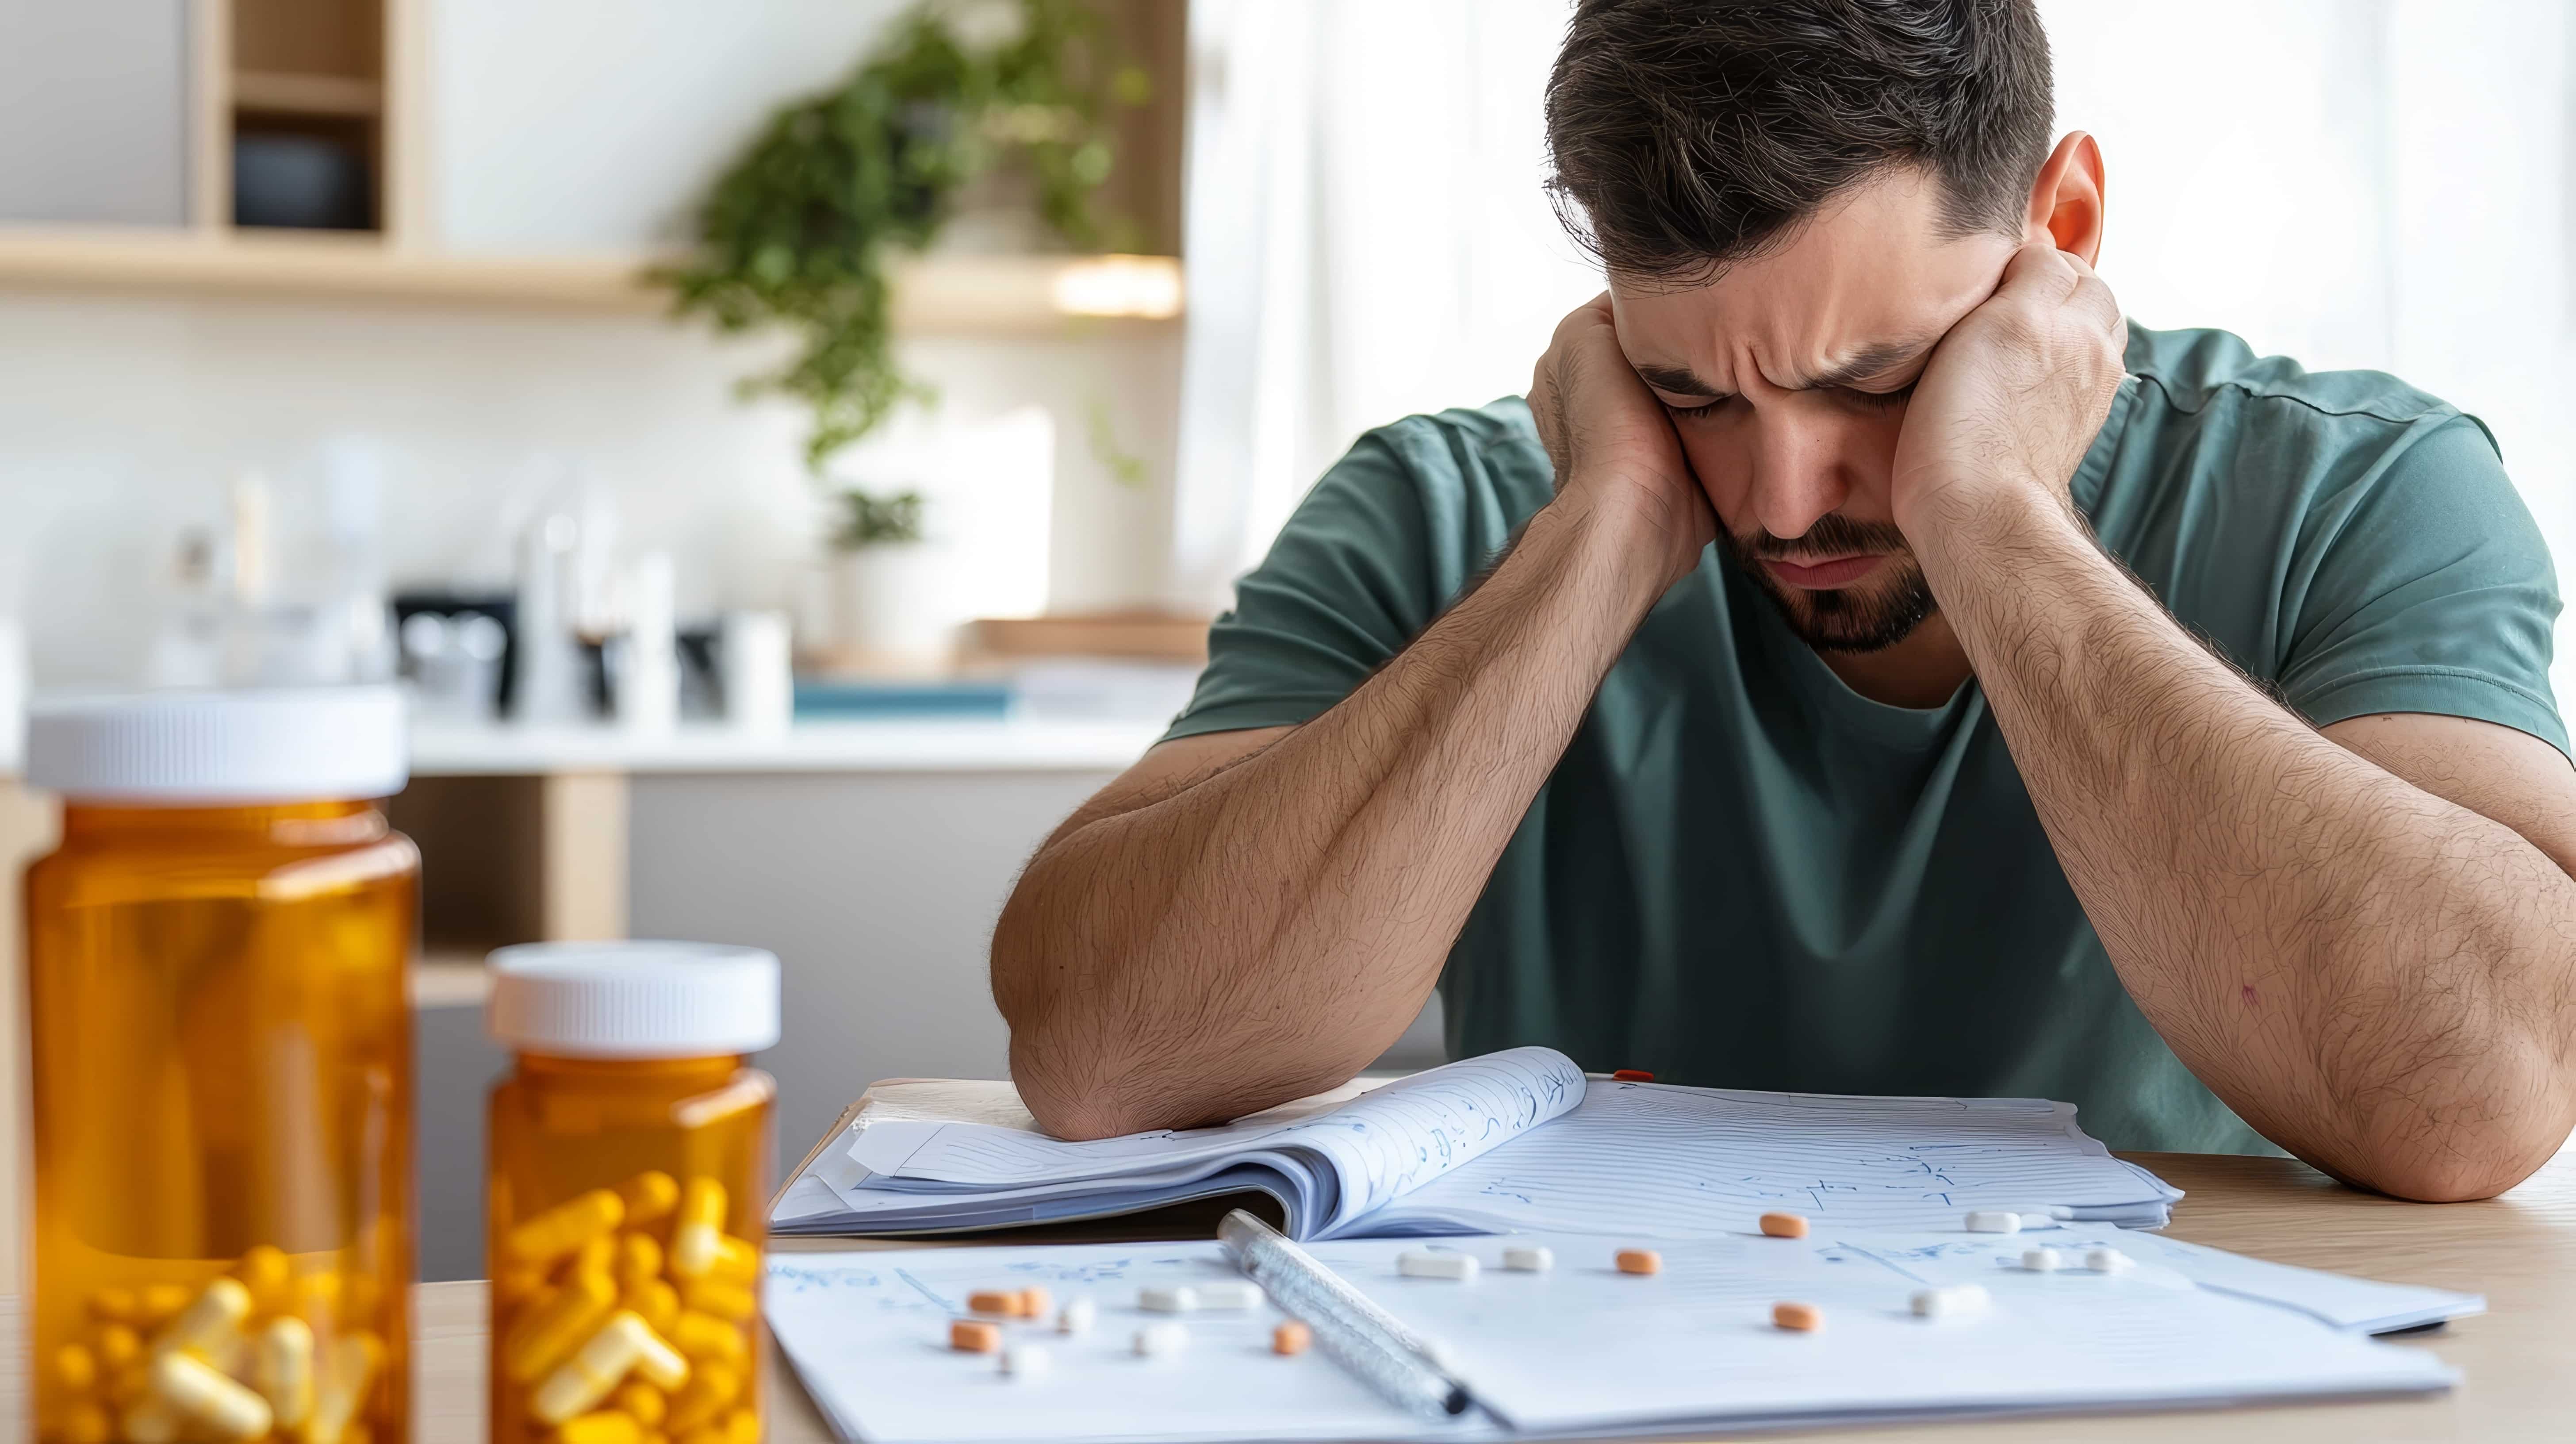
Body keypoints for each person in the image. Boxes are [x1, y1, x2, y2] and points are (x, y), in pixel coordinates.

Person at [991, 0, 2576, 1201]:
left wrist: (1996, 519)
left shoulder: (2357, 489)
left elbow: (2488, 1093)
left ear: (2061, 232)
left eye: (1876, 381)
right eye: (1693, 394)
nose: (1781, 500)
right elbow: (1099, 1055)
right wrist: (1604, 535)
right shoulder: (1441, 510)